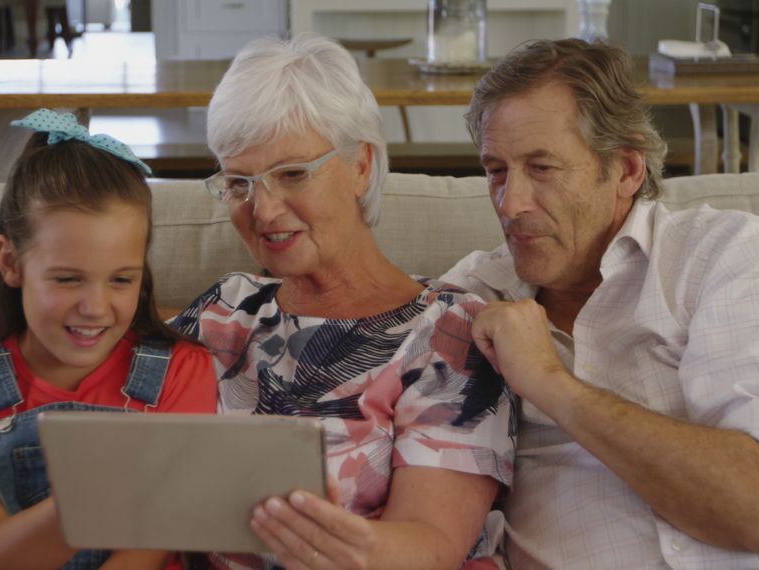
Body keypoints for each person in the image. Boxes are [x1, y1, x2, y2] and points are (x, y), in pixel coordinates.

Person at [448, 38, 759, 568]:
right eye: (496, 170)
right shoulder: (474, 297)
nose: (511, 203)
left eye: (542, 169)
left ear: (627, 169)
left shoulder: (724, 255)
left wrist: (549, 381)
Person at [169, 34, 514, 570]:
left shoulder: (448, 333)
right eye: (239, 182)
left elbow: (431, 545)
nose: (262, 210)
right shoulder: (224, 311)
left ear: (359, 166)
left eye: (291, 174)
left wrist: (313, 535)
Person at [0, 109, 218, 570]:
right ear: (10, 263)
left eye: (122, 280)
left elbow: (145, 554)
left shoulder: (183, 371)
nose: (96, 307)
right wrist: (114, 490)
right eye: (68, 280)